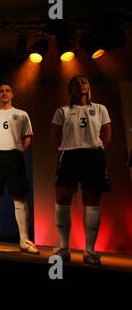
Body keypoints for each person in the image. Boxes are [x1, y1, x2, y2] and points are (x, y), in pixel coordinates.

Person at [51, 75, 111, 265]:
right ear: (70, 90)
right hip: (69, 155)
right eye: (76, 84)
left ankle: (90, 251)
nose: (81, 85)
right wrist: (68, 148)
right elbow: (55, 137)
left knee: (92, 200)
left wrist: (94, 148)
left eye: (84, 82)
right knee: (62, 199)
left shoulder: (100, 109)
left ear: (89, 86)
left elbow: (107, 135)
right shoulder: (62, 111)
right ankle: (63, 248)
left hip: (93, 156)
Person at [0, 82, 39, 254]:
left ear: (12, 95)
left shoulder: (22, 114)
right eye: (1, 91)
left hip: (15, 157)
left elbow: (27, 138)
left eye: (7, 91)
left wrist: (15, 151)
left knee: (19, 197)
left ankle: (24, 240)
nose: (4, 93)